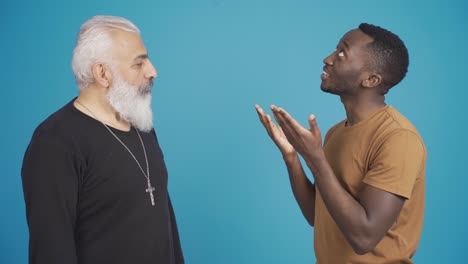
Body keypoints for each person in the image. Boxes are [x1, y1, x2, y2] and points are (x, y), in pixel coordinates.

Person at [255, 23, 426, 263]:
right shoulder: (336, 133)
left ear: (371, 79)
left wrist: (316, 159)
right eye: (335, 50)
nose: (328, 59)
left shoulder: (398, 139)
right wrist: (293, 157)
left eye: (342, 53)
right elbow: (317, 215)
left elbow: (364, 238)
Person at [21, 15, 184, 264]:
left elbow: (166, 224)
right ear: (102, 73)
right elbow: (51, 253)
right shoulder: (55, 143)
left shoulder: (143, 128)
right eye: (138, 64)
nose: (152, 71)